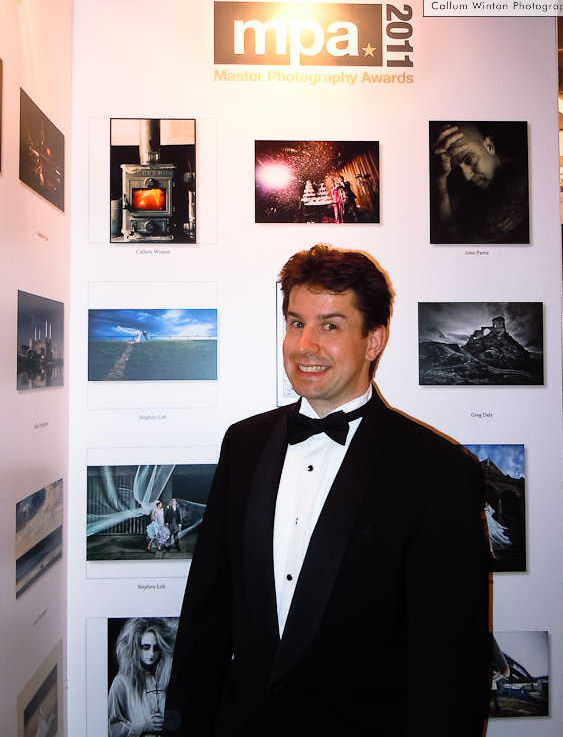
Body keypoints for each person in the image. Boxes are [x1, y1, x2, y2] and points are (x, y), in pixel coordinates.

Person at [166, 244, 489, 736]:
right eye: (296, 323)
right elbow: (205, 613)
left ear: (374, 340)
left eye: (330, 326)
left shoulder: (439, 471)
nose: (304, 345)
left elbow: (451, 661)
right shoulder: (244, 443)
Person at [430, 121, 529, 243]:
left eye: (468, 160)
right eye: (455, 168)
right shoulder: (466, 192)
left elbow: (464, 241)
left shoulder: (525, 178)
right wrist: (440, 179)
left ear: (489, 146)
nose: (466, 176)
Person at [108, 617, 178, 737]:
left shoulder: (167, 678)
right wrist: (143, 727)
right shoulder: (121, 682)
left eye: (156, 648)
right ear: (134, 647)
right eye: (146, 647)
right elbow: (111, 728)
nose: (151, 654)